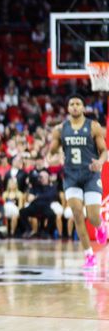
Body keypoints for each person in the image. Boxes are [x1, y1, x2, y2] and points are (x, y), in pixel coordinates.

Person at [48, 94, 108, 267]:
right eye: (71, 103)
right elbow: (52, 151)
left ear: (83, 107)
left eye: (78, 103)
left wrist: (100, 161)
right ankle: (89, 254)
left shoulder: (93, 126)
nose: (75, 106)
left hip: (90, 175)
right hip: (71, 175)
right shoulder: (60, 129)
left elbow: (103, 150)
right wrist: (52, 155)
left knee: (93, 216)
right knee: (77, 214)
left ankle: (100, 226)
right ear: (68, 108)